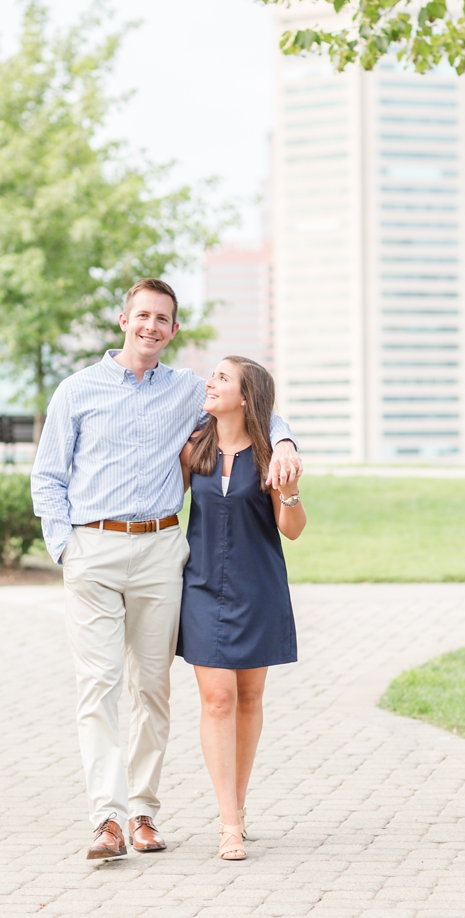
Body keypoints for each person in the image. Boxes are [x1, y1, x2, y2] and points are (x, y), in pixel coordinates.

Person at [30, 278, 301, 862]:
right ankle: (106, 819)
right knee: (98, 685)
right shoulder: (77, 391)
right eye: (142, 315)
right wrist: (64, 548)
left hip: (159, 552)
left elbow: (256, 406)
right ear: (123, 320)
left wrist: (284, 442)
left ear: (173, 331)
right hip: (93, 550)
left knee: (151, 688)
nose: (152, 326)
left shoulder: (187, 389)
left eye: (163, 319)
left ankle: (144, 814)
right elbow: (48, 477)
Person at [177, 356, 305, 861]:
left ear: (246, 396)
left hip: (259, 587)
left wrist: (289, 491)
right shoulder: (193, 449)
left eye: (222, 378)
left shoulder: (272, 455)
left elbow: (291, 530)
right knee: (218, 700)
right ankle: (228, 823)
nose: (210, 382)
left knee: (249, 699)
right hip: (203, 586)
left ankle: (240, 807)